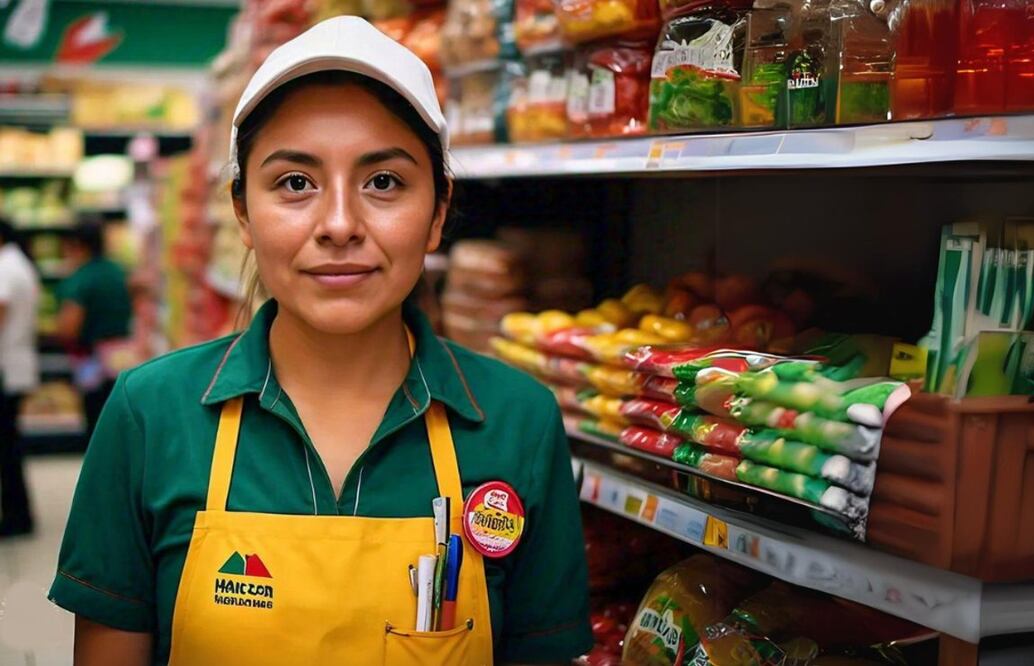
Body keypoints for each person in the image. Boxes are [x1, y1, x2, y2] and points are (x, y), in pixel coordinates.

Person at [50, 16, 592, 666]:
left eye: (384, 182)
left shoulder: (517, 421)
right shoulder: (149, 412)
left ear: (438, 213)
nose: (339, 224)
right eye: (295, 183)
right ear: (243, 212)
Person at [55, 221, 132, 437]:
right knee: (118, 420)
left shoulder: (81, 279)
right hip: (121, 355)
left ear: (76, 245)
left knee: (96, 422)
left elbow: (69, 326)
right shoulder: (116, 271)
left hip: (93, 360)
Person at [0, 217, 40, 537]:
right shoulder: (19, 263)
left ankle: (16, 516)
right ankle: (18, 513)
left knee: (7, 447)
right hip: (17, 362)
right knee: (9, 444)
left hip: (5, 366)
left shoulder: (4, 267)